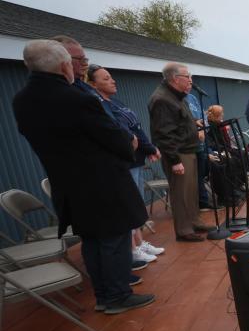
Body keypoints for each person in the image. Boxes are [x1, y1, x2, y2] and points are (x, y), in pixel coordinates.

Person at [13, 39, 155, 313]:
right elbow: (114, 138)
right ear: (63, 65)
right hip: (102, 182)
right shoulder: (76, 98)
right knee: (113, 238)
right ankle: (117, 296)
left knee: (90, 240)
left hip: (66, 184)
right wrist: (130, 143)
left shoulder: (22, 100)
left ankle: (103, 296)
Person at [87, 64, 165, 265]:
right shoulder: (99, 105)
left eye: (111, 77)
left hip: (135, 160)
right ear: (92, 84)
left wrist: (148, 148)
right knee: (129, 207)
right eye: (105, 78)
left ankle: (139, 242)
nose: (112, 80)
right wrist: (137, 143)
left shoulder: (114, 102)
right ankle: (132, 249)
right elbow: (123, 133)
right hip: (123, 163)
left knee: (136, 203)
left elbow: (136, 129)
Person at [149, 62, 213, 241]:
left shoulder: (177, 96)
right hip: (178, 153)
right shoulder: (162, 99)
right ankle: (184, 231)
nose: (191, 80)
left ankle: (194, 221)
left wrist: (193, 123)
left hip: (188, 149)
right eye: (188, 77)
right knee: (181, 193)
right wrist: (174, 160)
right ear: (175, 79)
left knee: (191, 191)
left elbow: (179, 120)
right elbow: (164, 133)